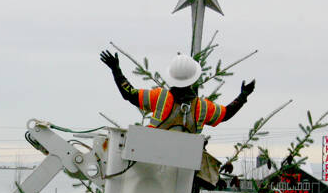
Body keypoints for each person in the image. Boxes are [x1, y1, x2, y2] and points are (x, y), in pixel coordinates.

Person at [100, 50, 255, 134]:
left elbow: (129, 94)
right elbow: (226, 114)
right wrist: (243, 96)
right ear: (194, 79)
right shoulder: (203, 107)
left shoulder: (159, 97)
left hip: (148, 161)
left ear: (171, 77)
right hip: (183, 174)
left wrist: (116, 70)